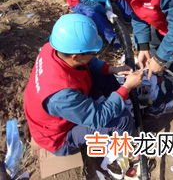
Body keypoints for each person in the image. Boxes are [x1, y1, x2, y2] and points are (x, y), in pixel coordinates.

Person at [24, 13, 143, 179]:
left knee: (104, 76)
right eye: (93, 52)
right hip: (59, 137)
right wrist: (127, 87)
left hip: (61, 109)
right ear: (76, 56)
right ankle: (122, 154)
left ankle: (118, 105)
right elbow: (99, 118)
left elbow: (90, 61)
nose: (96, 55)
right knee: (121, 118)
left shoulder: (54, 48)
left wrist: (110, 69)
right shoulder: (60, 95)